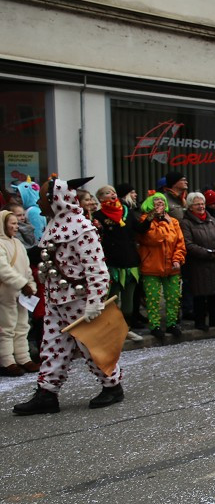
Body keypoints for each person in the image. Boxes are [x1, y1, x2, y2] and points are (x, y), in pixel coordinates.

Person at [13, 176, 124, 415]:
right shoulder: (53, 225)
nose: (40, 202)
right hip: (55, 299)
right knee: (51, 346)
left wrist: (95, 301)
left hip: (80, 300)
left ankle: (112, 386)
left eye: (43, 197)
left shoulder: (83, 228)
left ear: (56, 199)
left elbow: (97, 267)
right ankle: (47, 393)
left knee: (92, 346)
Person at [93, 185, 142, 340]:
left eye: (113, 191)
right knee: (112, 300)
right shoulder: (98, 215)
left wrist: (152, 216)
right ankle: (111, 331)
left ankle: (126, 329)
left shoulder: (127, 212)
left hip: (130, 261)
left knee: (128, 303)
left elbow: (140, 229)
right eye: (108, 193)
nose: (112, 194)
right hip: (112, 262)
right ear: (101, 198)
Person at [137, 193, 187, 342]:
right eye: (156, 202)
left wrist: (178, 259)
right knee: (153, 299)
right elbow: (155, 239)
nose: (160, 204)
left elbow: (180, 243)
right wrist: (160, 221)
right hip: (151, 266)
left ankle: (172, 323)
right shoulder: (145, 221)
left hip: (172, 267)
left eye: (162, 202)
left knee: (173, 297)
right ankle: (155, 325)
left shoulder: (174, 222)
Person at [180, 191, 215, 331]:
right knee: (200, 294)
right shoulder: (186, 223)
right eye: (197, 204)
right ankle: (200, 321)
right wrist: (207, 253)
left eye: (202, 203)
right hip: (198, 264)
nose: (201, 206)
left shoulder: (212, 220)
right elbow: (188, 244)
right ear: (190, 207)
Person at [0, 209, 36, 376]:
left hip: (21, 292)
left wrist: (30, 284)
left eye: (16, 223)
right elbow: (3, 269)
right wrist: (22, 284)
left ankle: (23, 357)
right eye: (12, 224)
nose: (16, 227)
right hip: (5, 292)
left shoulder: (18, 243)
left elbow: (26, 267)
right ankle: (6, 360)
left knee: (22, 326)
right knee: (6, 327)